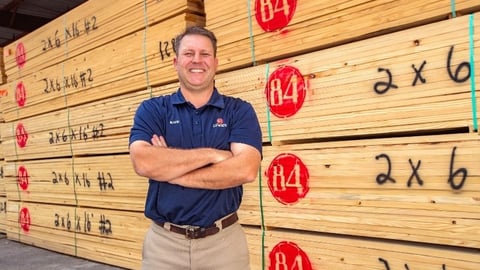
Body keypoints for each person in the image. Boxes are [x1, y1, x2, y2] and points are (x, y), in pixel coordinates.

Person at [128, 26, 263, 270]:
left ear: (216, 62)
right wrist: (212, 155)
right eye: (189, 53)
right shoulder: (153, 110)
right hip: (164, 246)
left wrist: (169, 169)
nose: (197, 60)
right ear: (176, 61)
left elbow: (245, 170)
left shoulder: (239, 111)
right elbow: (143, 162)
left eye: (205, 54)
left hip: (224, 245)